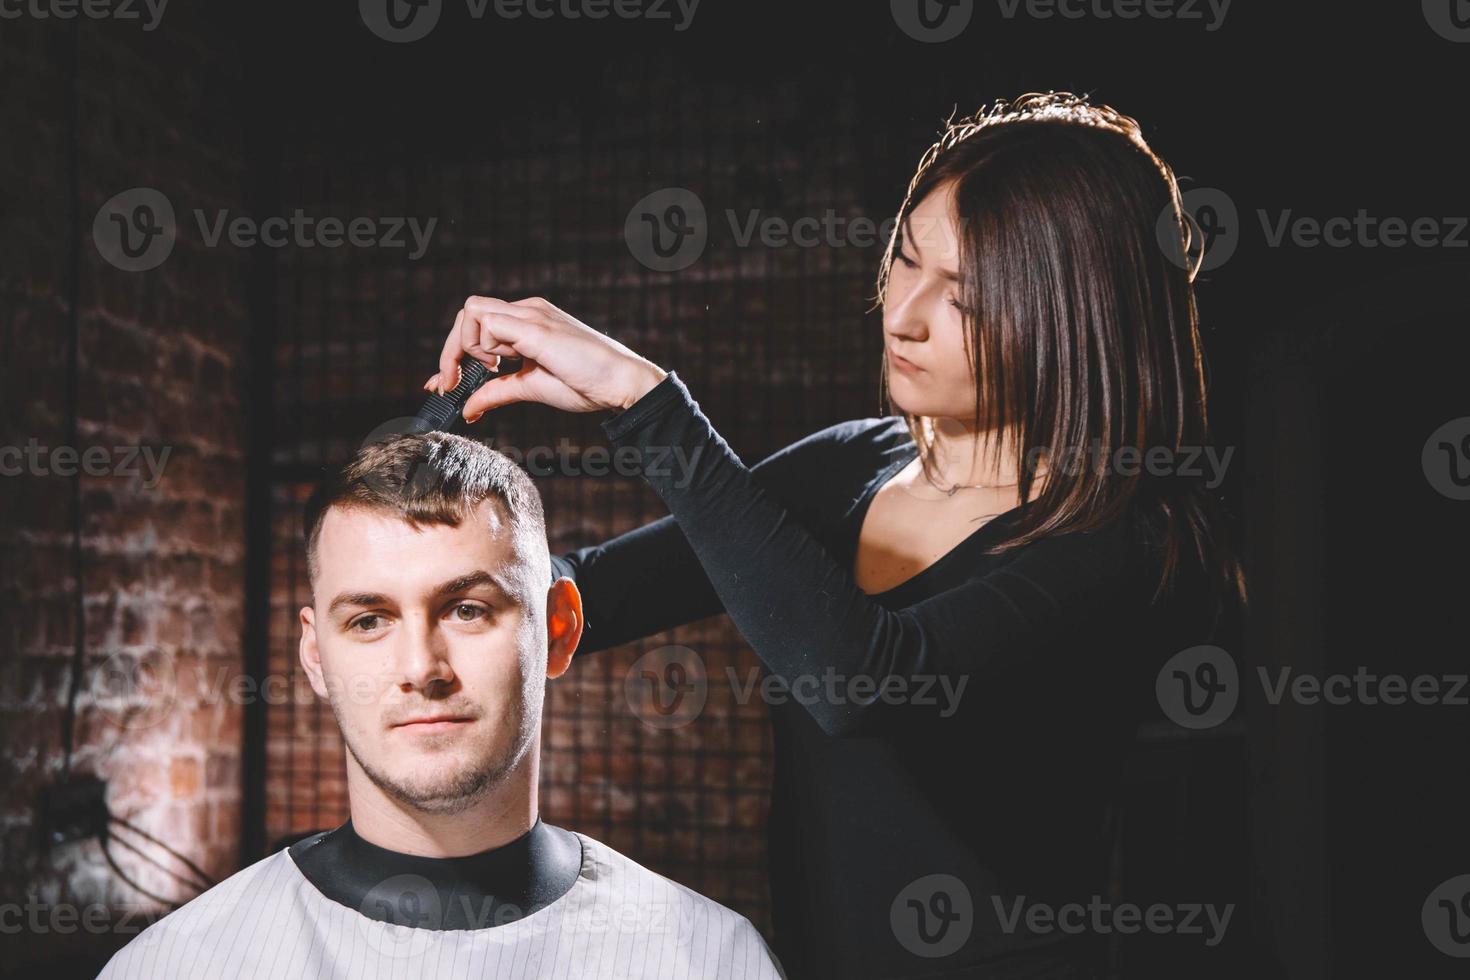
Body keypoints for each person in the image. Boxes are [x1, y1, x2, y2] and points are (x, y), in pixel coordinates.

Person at [423, 91, 1248, 978]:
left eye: (963, 297)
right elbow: (589, 592)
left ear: (1070, 316)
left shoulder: (1128, 544)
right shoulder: (853, 466)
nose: (904, 313)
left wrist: (646, 404)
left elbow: (866, 681)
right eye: (904, 259)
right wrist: (421, 504)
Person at [98, 434, 785, 979]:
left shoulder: (713, 960)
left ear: (558, 630)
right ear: (315, 654)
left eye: (466, 609)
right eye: (369, 620)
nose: (421, 668)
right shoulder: (174, 966)